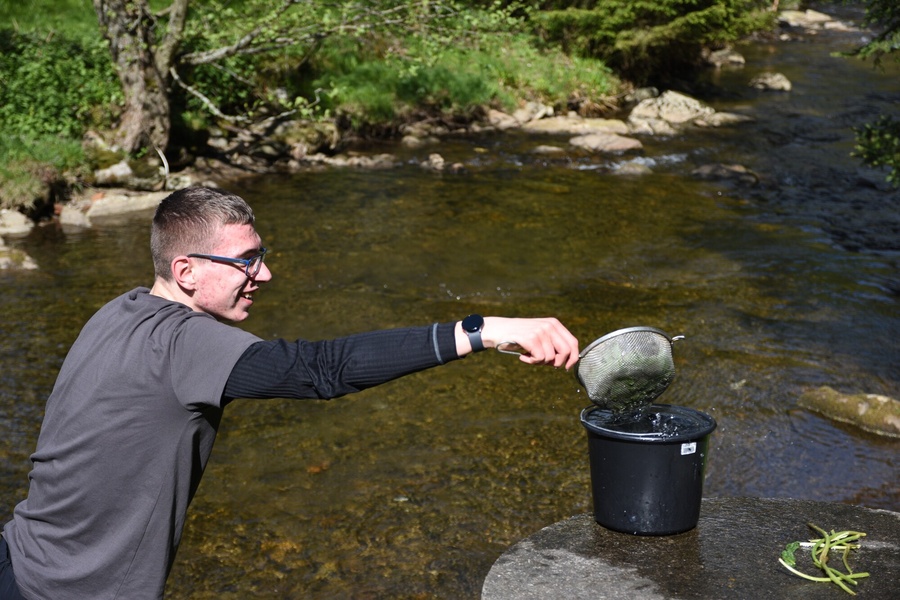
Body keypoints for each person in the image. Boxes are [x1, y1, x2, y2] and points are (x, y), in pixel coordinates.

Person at [0, 186, 579, 600]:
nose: (265, 275)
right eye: (246, 261)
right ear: (187, 271)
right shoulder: (188, 346)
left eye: (263, 256)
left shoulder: (118, 310)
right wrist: (485, 331)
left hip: (18, 556)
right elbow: (321, 370)